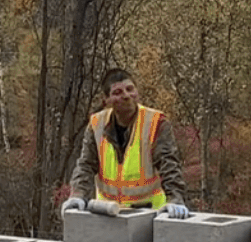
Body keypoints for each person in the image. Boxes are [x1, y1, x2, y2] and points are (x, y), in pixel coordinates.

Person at [63, 68, 192, 219]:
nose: (126, 96)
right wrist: (77, 195)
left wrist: (175, 199)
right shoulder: (96, 125)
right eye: (117, 92)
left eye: (130, 89)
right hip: (109, 216)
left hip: (148, 215)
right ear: (106, 100)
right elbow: (85, 165)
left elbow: (169, 164)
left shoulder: (156, 123)